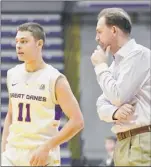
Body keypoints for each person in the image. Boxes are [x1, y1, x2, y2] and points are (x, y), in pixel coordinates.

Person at [1, 22, 84, 166]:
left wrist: (47, 146)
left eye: (24, 41)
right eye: (17, 42)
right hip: (12, 154)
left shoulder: (55, 79)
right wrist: (3, 150)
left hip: (41, 154)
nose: (18, 46)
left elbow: (77, 121)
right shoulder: (12, 74)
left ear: (39, 44)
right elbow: (11, 114)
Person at [91, 8, 151, 166]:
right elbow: (100, 105)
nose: (96, 38)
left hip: (142, 139)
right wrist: (115, 112)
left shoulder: (139, 55)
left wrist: (100, 66)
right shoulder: (116, 64)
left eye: (99, 32)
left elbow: (118, 96)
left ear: (114, 30)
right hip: (124, 142)